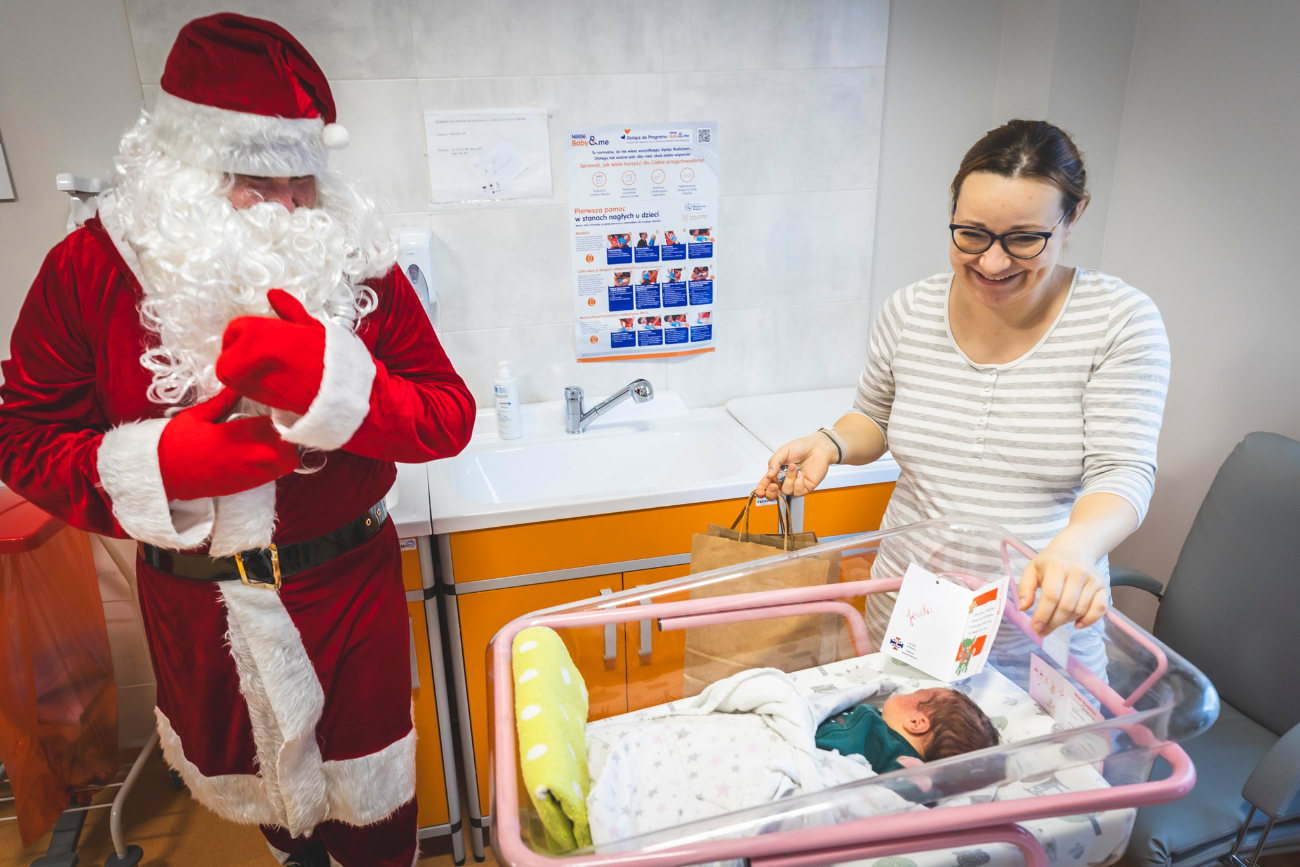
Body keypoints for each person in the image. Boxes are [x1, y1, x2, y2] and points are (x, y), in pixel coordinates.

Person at [0, 14, 476, 867]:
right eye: (259, 180)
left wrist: (338, 391)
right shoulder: (88, 271)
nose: (290, 209)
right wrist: (158, 469)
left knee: (376, 821)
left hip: (349, 595)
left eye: (303, 180)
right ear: (184, 172)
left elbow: (446, 415)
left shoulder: (356, 265)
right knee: (272, 822)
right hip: (198, 613)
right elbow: (23, 436)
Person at [757, 120, 1170, 674]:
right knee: (903, 749)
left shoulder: (1118, 321)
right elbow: (874, 419)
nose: (993, 262)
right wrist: (830, 443)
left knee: (1038, 757)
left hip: (1035, 623)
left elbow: (1122, 473)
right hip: (910, 610)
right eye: (972, 234)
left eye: (1024, 238)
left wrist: (1076, 547)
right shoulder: (910, 310)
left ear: (1073, 217)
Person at [816, 687, 1000, 773]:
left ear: (915, 721)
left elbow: (887, 796)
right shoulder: (879, 721)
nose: (906, 691)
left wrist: (920, 780)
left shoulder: (900, 761)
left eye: (914, 694)